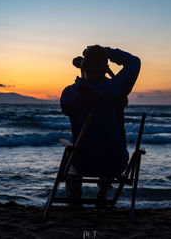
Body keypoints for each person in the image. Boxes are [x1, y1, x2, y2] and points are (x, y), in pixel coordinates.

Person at [60, 45, 141, 202]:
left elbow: (69, 108)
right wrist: (106, 51)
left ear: (83, 66)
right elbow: (134, 61)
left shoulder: (69, 93)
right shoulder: (117, 88)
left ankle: (74, 200)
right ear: (105, 67)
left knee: (71, 151)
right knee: (107, 143)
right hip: (116, 163)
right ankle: (102, 193)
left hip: (83, 163)